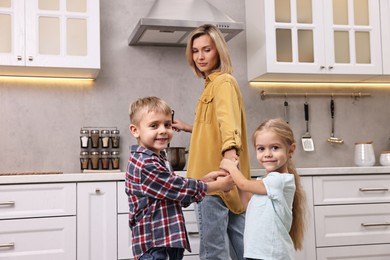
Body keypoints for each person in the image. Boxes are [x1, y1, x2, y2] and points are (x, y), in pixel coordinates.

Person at [172, 24, 250, 260]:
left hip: (212, 180)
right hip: (224, 178)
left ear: (219, 51)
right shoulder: (212, 85)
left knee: (214, 252)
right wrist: (188, 127)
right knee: (243, 247)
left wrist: (229, 158)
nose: (200, 57)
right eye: (195, 51)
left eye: (207, 49)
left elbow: (229, 123)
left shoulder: (223, 82)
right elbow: (216, 124)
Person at [125, 96, 235, 260]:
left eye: (167, 125)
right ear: (135, 130)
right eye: (154, 125)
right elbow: (176, 187)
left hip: (167, 242)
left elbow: (174, 194)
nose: (163, 130)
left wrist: (203, 181)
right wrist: (217, 186)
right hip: (155, 245)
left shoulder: (159, 158)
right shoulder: (145, 163)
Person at [219, 118, 306, 260]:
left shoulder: (280, 181)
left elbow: (243, 184)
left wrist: (229, 166)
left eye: (275, 147)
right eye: (261, 148)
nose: (267, 154)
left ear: (291, 150)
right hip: (256, 253)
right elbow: (248, 204)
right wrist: (237, 172)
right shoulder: (265, 183)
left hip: (272, 255)